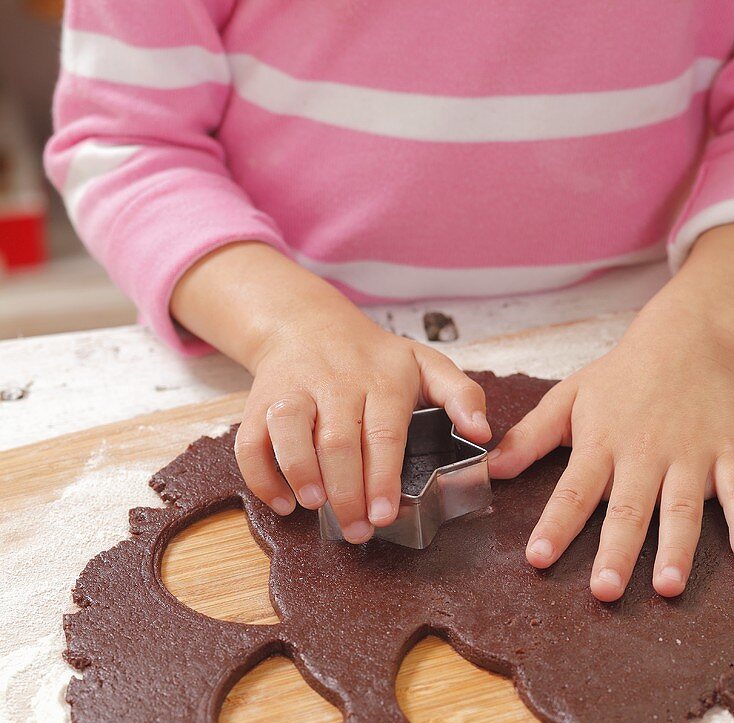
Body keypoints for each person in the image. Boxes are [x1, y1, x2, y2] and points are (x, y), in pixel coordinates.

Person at [46, 2, 734, 601]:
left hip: (661, 350)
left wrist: (707, 326)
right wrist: (288, 323)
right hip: (280, 330)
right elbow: (127, 140)